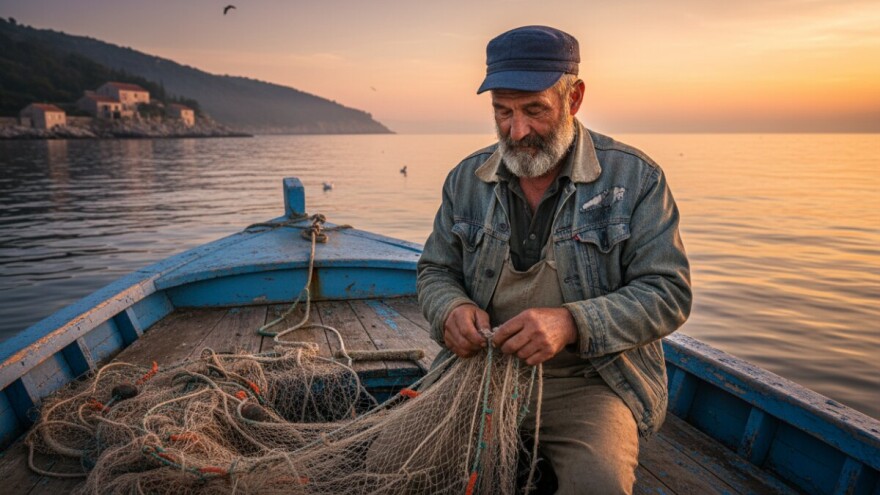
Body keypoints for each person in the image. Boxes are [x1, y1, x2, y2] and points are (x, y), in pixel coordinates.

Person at [417, 25, 692, 494]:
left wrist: (571, 323)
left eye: (534, 110)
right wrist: (451, 311)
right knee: (392, 462)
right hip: (478, 376)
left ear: (575, 97)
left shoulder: (637, 178)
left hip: (591, 382)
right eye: (502, 112)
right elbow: (435, 271)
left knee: (598, 484)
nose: (516, 130)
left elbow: (668, 293)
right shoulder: (465, 179)